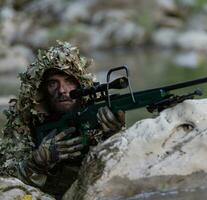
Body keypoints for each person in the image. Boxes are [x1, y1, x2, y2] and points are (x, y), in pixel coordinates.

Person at [0, 41, 125, 198]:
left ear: (81, 84)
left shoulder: (96, 113)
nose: (62, 90)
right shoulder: (25, 124)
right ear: (42, 90)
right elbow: (6, 181)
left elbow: (119, 169)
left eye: (70, 81)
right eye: (53, 83)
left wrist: (113, 134)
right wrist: (35, 163)